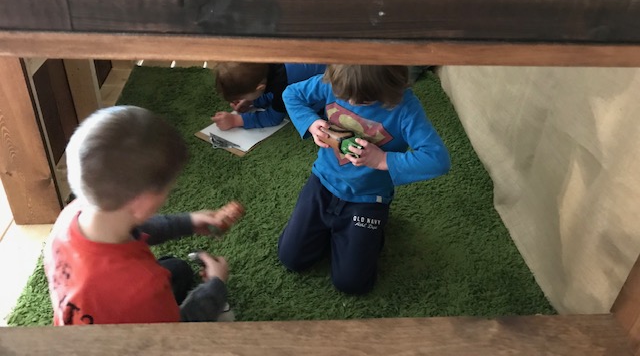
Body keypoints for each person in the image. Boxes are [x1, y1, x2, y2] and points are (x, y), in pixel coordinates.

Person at [43, 105, 243, 325]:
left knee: (177, 270)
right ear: (143, 202)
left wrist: (188, 222)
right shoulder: (144, 286)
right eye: (167, 190)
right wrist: (215, 286)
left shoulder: (72, 214)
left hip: (90, 308)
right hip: (129, 337)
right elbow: (177, 331)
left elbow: (135, 226)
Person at [278, 65, 451, 294]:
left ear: (389, 85)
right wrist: (311, 123)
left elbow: (438, 159)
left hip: (368, 199)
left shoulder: (404, 106)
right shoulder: (336, 80)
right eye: (344, 95)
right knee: (291, 258)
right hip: (323, 182)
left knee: (352, 283)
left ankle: (368, 233)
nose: (351, 102)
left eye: (364, 100)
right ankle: (340, 233)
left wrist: (382, 160)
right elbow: (291, 93)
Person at [211, 62, 326, 130]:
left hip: (328, 90)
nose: (242, 100)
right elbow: (269, 91)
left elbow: (274, 117)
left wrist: (235, 120)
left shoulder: (283, 85)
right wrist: (252, 101)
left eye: (243, 97)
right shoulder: (265, 67)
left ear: (259, 87)